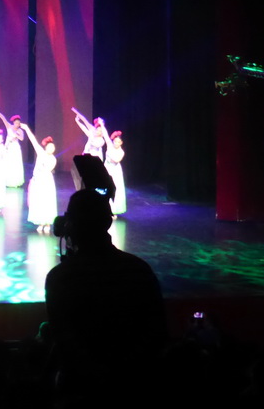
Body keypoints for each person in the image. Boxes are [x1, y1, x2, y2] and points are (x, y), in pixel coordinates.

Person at [45, 188, 166, 402]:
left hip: (81, 390)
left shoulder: (60, 278)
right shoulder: (139, 270)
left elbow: (64, 339)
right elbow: (156, 331)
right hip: (132, 386)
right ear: (108, 223)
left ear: (70, 226)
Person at [22, 124, 58, 233]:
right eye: (50, 147)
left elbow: (47, 169)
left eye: (53, 147)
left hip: (46, 181)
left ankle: (47, 223)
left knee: (47, 201)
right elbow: (33, 140)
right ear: (46, 147)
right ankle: (41, 222)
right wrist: (27, 128)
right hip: (38, 180)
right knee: (39, 201)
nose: (52, 149)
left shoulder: (53, 159)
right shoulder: (41, 153)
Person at [71, 107, 106, 191]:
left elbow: (93, 142)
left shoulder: (101, 141)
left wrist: (92, 133)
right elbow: (85, 123)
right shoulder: (92, 135)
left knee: (94, 176)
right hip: (87, 157)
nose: (98, 132)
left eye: (100, 131)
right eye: (97, 130)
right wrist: (77, 119)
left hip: (95, 159)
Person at [0, 109, 25, 188]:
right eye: (16, 123)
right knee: (8, 164)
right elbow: (3, 118)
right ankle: (7, 181)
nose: (17, 124)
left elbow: (22, 139)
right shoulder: (9, 127)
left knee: (15, 164)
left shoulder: (20, 131)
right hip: (9, 147)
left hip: (15, 148)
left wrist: (16, 135)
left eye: (18, 123)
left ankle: (15, 181)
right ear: (14, 122)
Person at [100, 125, 127, 217]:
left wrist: (109, 153)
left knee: (114, 189)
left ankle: (113, 211)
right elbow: (106, 135)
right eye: (115, 141)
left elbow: (116, 160)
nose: (116, 143)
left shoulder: (121, 152)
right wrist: (102, 125)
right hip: (106, 168)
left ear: (121, 143)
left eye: (118, 142)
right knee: (104, 188)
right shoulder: (110, 146)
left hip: (115, 171)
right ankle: (103, 208)